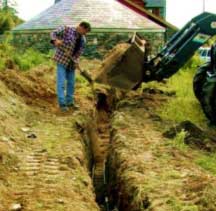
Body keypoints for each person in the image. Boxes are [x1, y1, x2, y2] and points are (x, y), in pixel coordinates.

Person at [50, 21, 91, 111]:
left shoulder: (83, 39)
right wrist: (55, 40)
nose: (85, 34)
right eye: (85, 31)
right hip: (62, 60)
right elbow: (53, 33)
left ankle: (70, 102)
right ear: (81, 27)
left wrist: (76, 61)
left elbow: (79, 52)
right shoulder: (66, 29)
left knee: (71, 83)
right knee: (61, 83)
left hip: (72, 63)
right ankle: (62, 104)